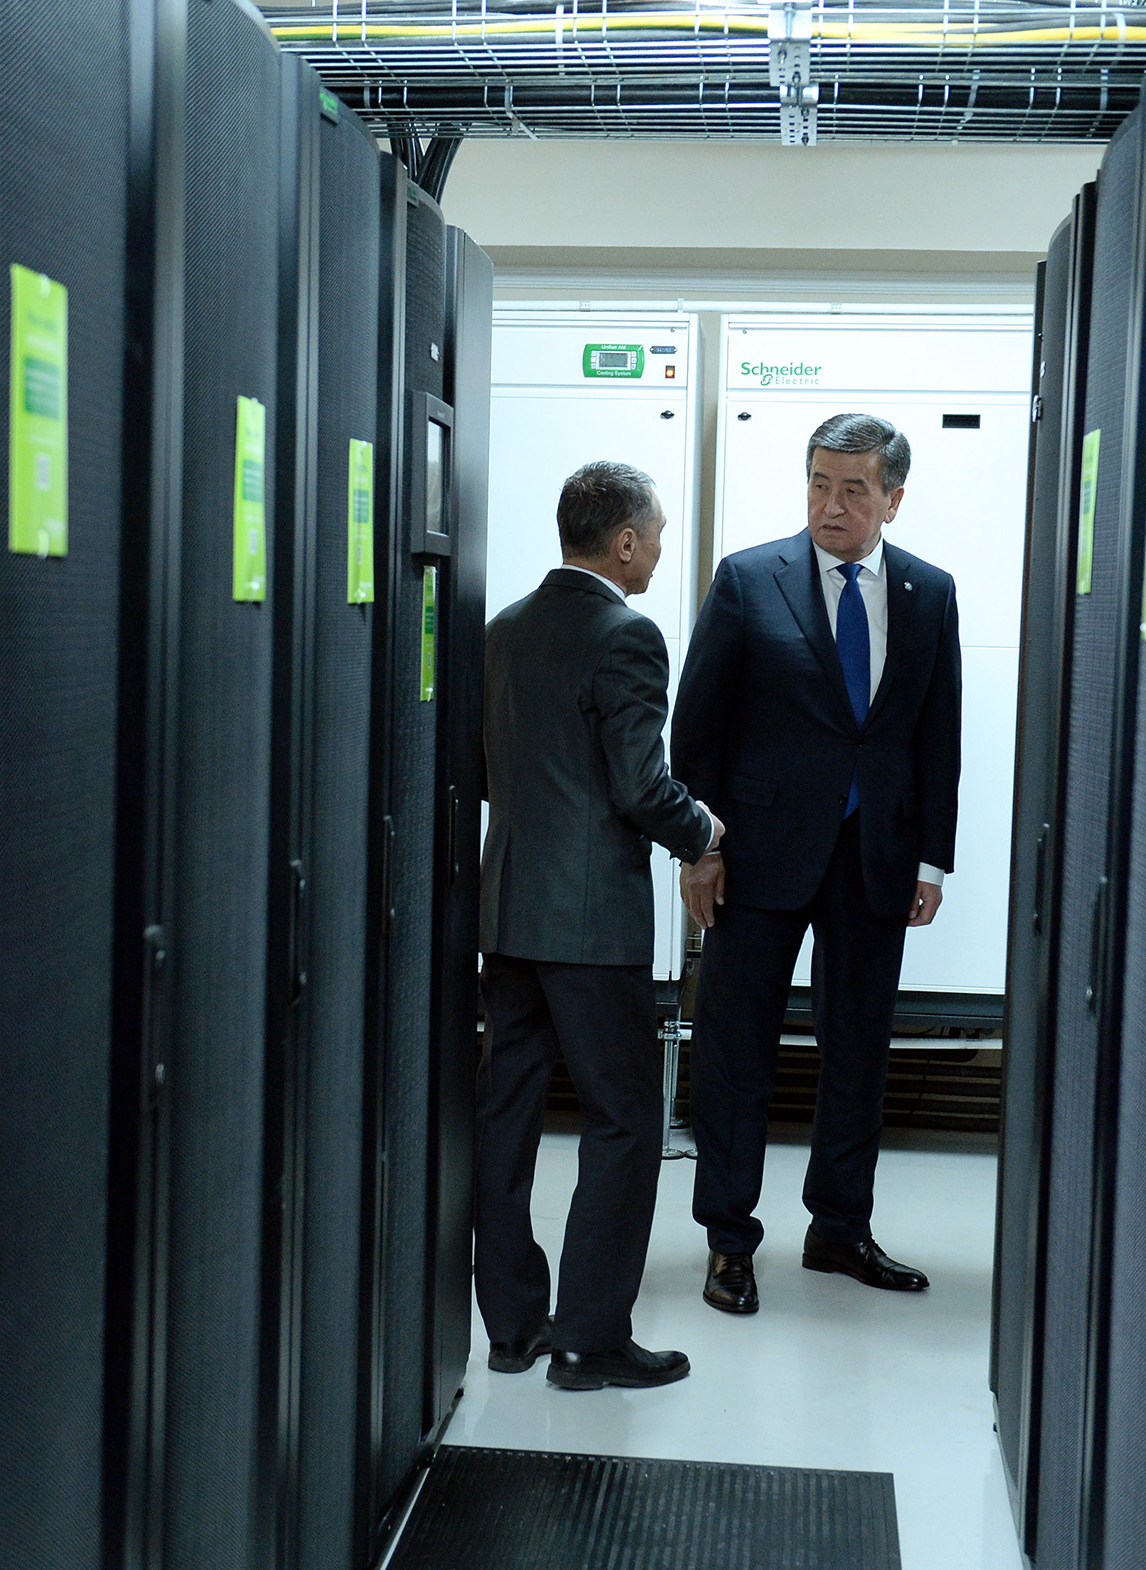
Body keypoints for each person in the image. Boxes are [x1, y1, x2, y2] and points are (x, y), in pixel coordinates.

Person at [672, 412, 961, 1316]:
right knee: (735, 1050)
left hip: (875, 856)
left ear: (893, 500)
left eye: (853, 489)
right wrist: (700, 847)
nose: (831, 505)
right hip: (757, 856)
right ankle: (729, 1240)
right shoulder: (748, 579)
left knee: (858, 1050)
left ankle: (839, 1227)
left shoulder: (928, 592)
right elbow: (697, 727)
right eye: (819, 484)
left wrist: (933, 859)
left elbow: (938, 734)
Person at [476, 459, 722, 1389]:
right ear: (623, 543)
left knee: (506, 1119)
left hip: (509, 916)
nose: (656, 551)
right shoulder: (627, 635)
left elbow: (487, 771)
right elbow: (641, 788)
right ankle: (588, 1339)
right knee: (623, 1121)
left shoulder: (504, 630)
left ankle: (512, 1329)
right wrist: (704, 832)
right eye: (654, 537)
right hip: (591, 929)